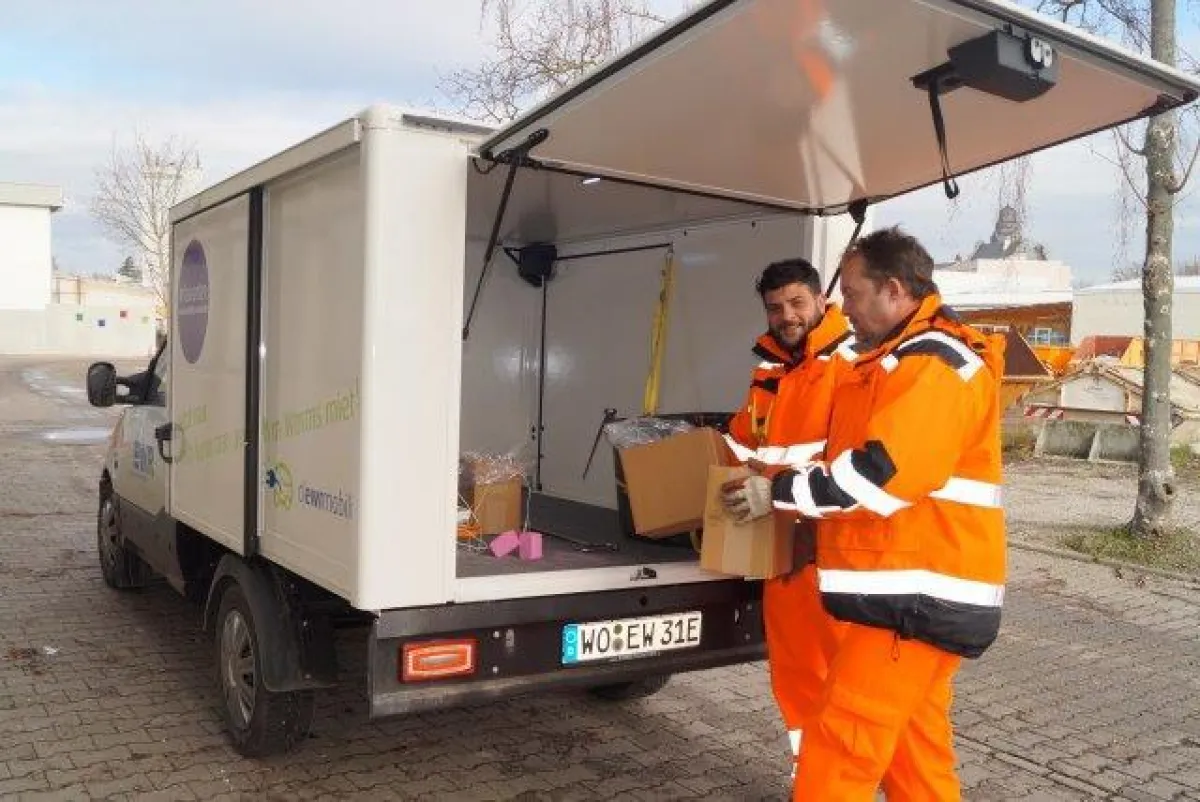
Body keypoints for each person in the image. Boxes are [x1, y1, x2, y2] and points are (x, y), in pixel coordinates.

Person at [723, 227, 1007, 801]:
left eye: (851, 293)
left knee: (840, 746)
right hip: (915, 595)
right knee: (914, 755)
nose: (842, 306)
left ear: (894, 290)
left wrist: (776, 492)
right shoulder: (902, 362)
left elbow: (879, 475)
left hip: (913, 601)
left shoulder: (930, 366)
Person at [724, 257, 856, 779]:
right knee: (797, 681)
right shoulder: (770, 370)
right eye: (775, 308)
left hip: (832, 551)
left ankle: (846, 782)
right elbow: (741, 440)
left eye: (797, 303)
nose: (787, 315)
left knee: (843, 685)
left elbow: (854, 468)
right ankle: (815, 782)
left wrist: (774, 492)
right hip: (782, 553)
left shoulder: (850, 364)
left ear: (821, 301)